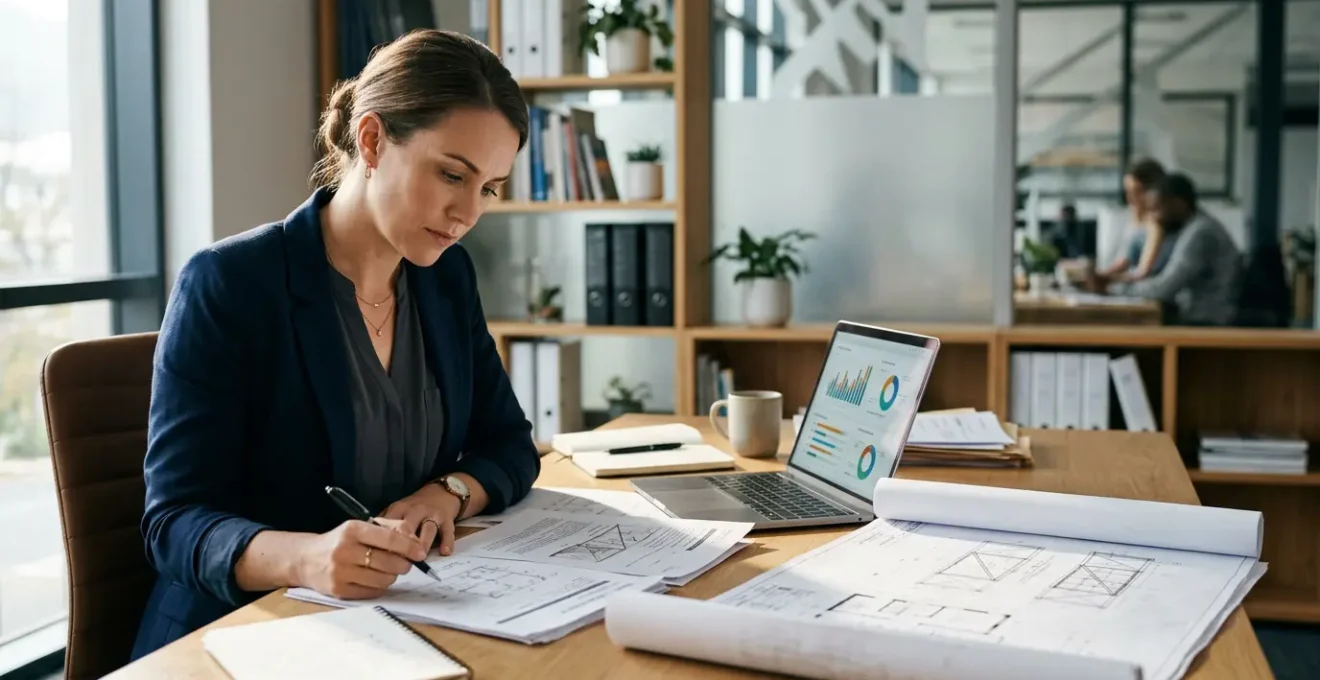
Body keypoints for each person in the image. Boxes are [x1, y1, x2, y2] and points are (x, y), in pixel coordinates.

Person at [131, 29, 537, 658]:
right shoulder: (232, 283)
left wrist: (447, 493)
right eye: (451, 174)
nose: (467, 213)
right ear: (372, 140)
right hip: (242, 634)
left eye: (488, 187)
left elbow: (509, 443)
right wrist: (307, 557)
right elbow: (174, 522)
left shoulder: (444, 277)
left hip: (399, 626)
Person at [1091, 173, 1243, 325]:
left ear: (1178, 204)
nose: (1153, 218)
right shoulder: (1189, 227)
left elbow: (1164, 289)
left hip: (1205, 320)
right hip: (1191, 313)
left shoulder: (1200, 233)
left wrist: (1112, 289)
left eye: (1156, 209)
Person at [1099, 158, 1167, 281]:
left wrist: (1108, 280)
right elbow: (1122, 261)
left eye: (1137, 191)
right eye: (1128, 192)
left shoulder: (1157, 225)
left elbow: (1143, 272)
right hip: (1130, 285)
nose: (1130, 198)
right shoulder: (1132, 219)